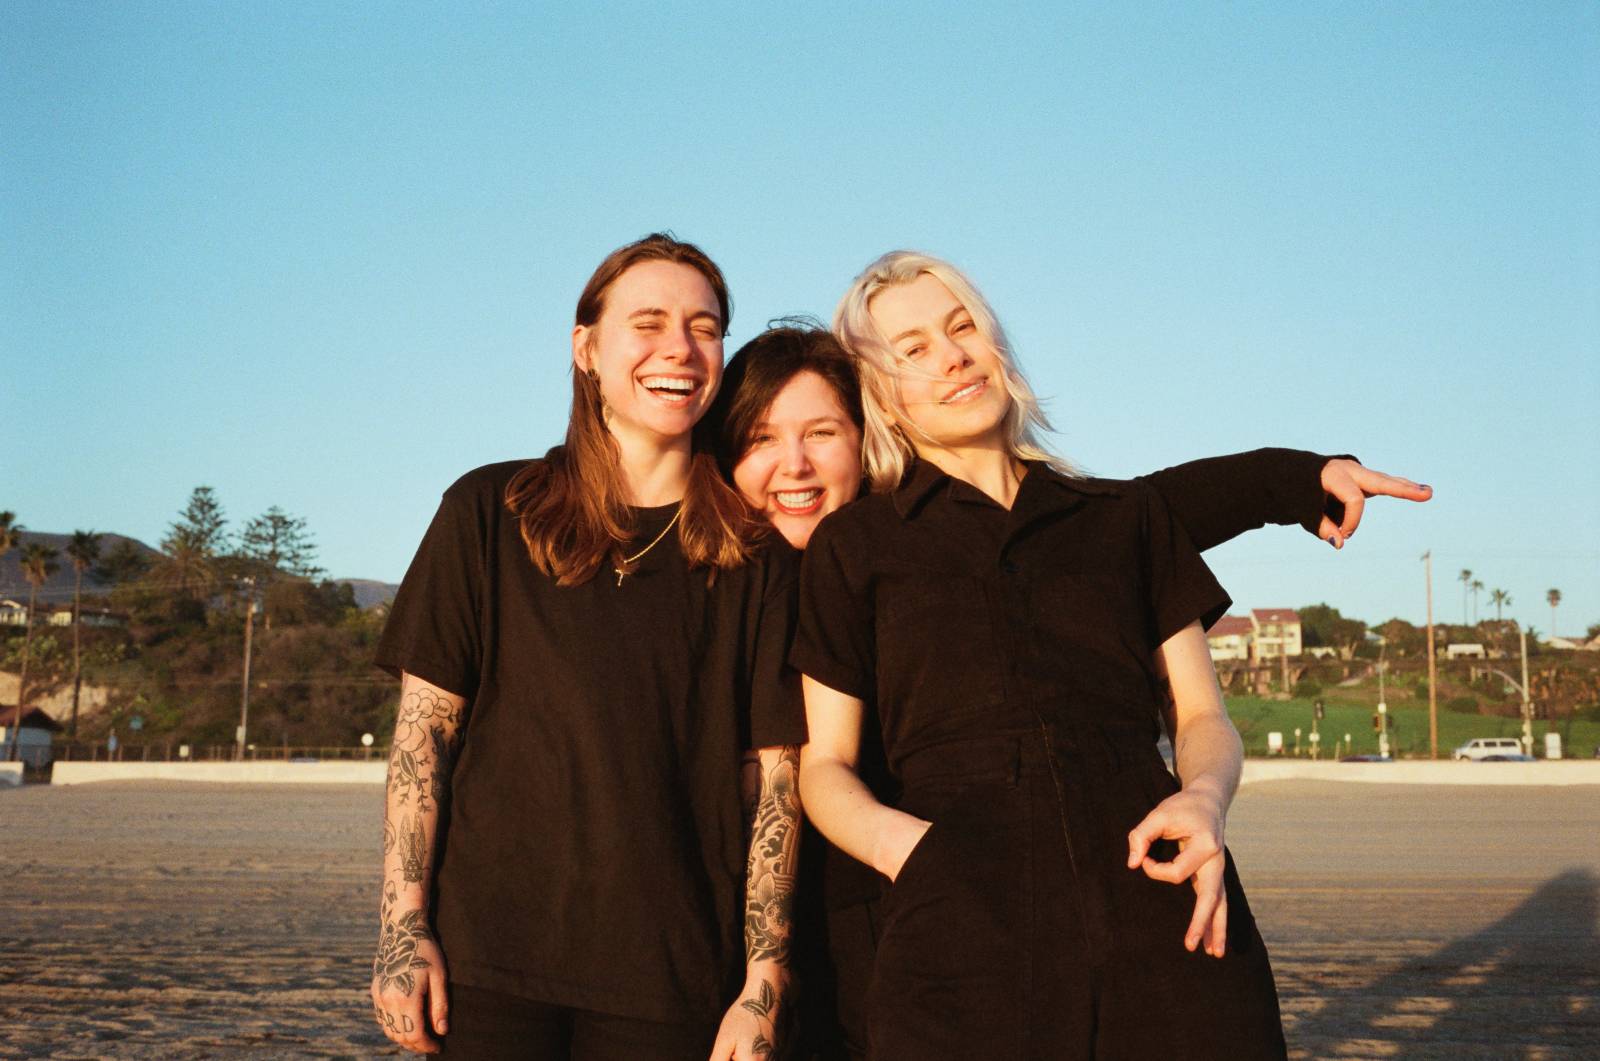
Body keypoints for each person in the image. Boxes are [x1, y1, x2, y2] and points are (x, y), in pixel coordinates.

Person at [707, 322, 1428, 1059]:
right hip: (769, 931)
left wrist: (1297, 477)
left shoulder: (911, 549)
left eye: (822, 432)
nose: (793, 464)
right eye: (760, 439)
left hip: (932, 902)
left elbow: (1137, 513)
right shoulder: (723, 586)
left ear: (869, 434)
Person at [368, 234, 806, 1060]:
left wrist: (763, 981)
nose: (681, 348)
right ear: (587, 349)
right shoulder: (487, 512)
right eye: (649, 323)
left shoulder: (755, 557)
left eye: (705, 328)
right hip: (486, 965)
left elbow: (773, 786)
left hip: (670, 977)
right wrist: (402, 927)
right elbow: (424, 735)